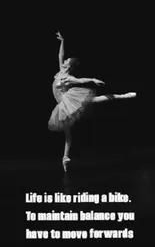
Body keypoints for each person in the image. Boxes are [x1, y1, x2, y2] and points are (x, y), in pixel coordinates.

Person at [48, 31, 136, 172]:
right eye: (64, 61)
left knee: (95, 100)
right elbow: (60, 55)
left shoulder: (68, 77)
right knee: (68, 134)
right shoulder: (60, 71)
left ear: (69, 66)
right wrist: (62, 41)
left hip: (68, 101)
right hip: (62, 106)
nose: (64, 61)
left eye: (66, 61)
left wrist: (93, 80)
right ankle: (65, 158)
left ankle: (122, 96)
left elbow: (81, 80)